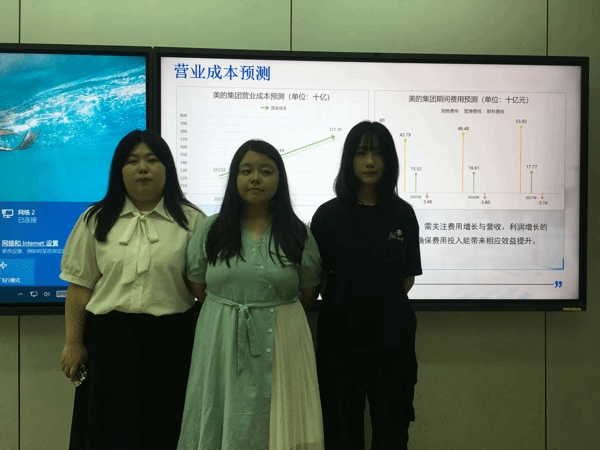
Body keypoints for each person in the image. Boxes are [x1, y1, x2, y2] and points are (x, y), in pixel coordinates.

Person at [59, 130, 206, 450]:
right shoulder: (95, 219)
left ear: (167, 169)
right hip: (108, 343)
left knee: (166, 430)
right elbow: (79, 288)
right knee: (107, 433)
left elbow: (203, 290)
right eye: (132, 161)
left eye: (152, 160)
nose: (143, 168)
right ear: (119, 170)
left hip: (172, 343)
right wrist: (73, 343)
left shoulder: (193, 221)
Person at [178, 140, 324, 450]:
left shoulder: (297, 232)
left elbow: (309, 290)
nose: (255, 178)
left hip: (284, 338)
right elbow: (197, 285)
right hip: (220, 336)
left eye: (266, 171)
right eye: (246, 171)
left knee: (281, 416)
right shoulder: (212, 229)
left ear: (279, 179)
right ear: (234, 178)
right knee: (220, 410)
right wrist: (231, 309)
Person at [310, 121, 422, 450]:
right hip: (339, 343)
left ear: (389, 160)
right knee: (341, 434)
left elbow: (407, 278)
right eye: (361, 153)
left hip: (393, 342)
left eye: (378, 153)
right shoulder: (328, 216)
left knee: (392, 434)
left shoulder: (403, 215)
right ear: (349, 160)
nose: (370, 162)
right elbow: (319, 277)